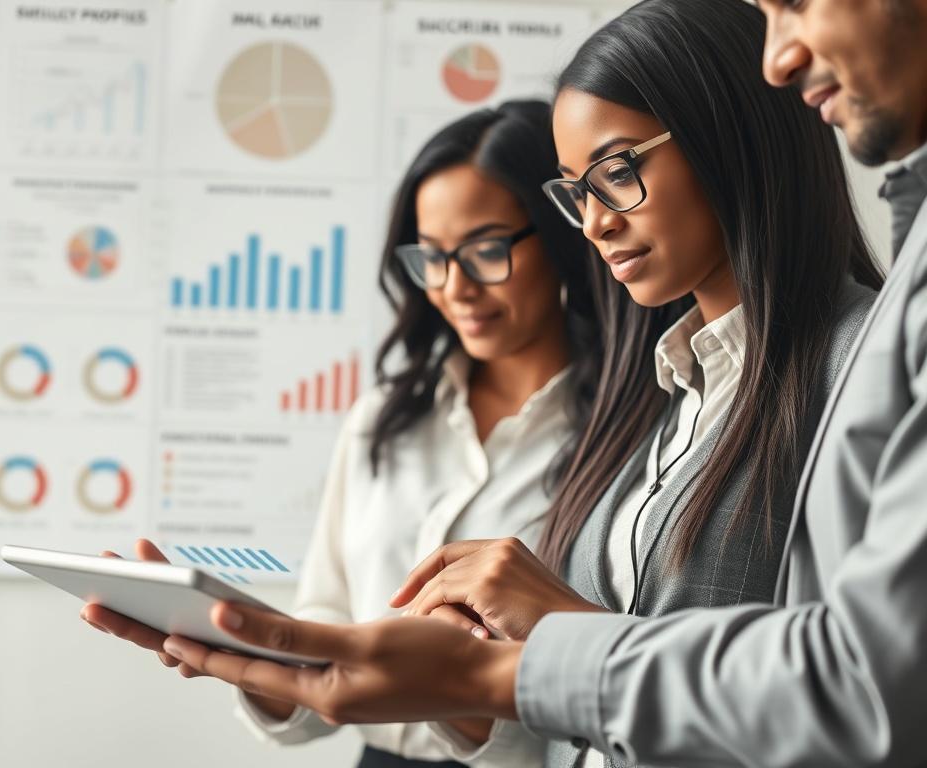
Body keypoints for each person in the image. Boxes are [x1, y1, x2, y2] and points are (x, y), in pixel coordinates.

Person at [150, 0, 927, 765]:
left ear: (733, 136)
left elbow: (855, 695)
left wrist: (538, 641)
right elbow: (574, 723)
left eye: (617, 172)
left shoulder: (860, 368)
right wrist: (452, 681)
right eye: (576, 191)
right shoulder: (667, 399)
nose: (594, 222)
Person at [82, 100, 615, 768]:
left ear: (563, 235)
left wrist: (463, 696)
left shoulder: (626, 432)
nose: (454, 287)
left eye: (485, 251)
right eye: (433, 258)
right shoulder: (383, 421)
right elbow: (326, 626)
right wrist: (243, 649)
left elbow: (618, 671)